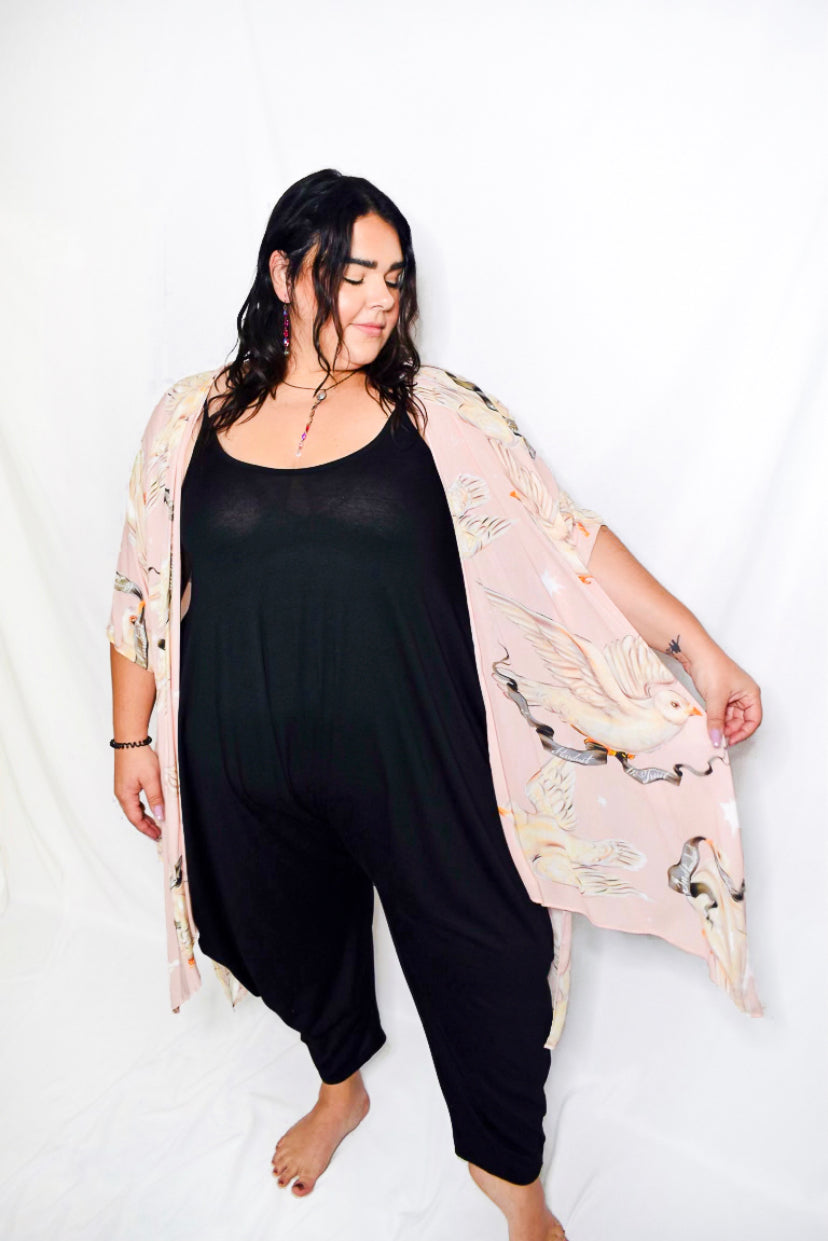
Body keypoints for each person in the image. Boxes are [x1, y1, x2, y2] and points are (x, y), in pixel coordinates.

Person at [108, 169, 762, 1241]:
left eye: (394, 277)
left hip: (422, 761)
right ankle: (341, 1086)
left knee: (492, 971)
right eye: (353, 273)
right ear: (286, 274)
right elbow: (140, 588)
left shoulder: (437, 414)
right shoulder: (190, 417)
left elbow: (569, 536)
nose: (380, 298)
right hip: (242, 760)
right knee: (275, 931)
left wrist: (701, 650)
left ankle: (520, 1199)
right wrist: (130, 736)